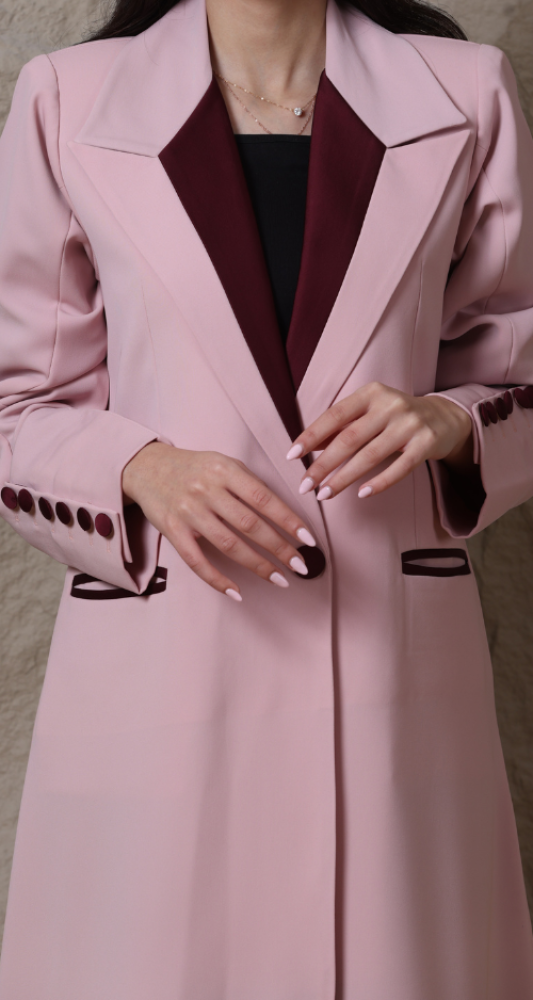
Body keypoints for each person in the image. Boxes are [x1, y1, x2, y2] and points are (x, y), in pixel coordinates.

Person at [0, 0, 532, 994]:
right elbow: (14, 403)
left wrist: (449, 421)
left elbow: (520, 367)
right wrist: (141, 467)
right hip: (164, 677)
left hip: (392, 676)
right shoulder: (68, 101)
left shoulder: (462, 95)